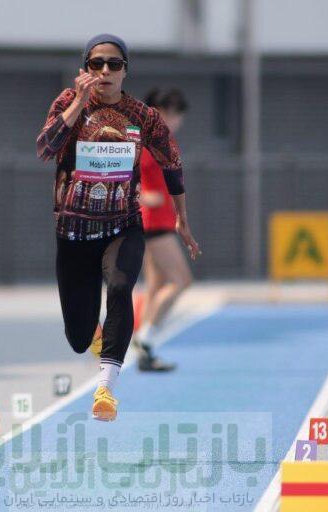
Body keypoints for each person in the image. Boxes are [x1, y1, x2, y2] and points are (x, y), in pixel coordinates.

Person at [36, 34, 200, 421]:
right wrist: (77, 104)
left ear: (125, 71)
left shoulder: (142, 116)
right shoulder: (67, 102)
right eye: (97, 64)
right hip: (74, 233)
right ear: (85, 69)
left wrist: (182, 217)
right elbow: (45, 148)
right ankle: (93, 335)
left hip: (123, 225)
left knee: (122, 286)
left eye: (114, 64)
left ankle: (106, 388)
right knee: (78, 337)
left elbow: (173, 164)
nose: (105, 71)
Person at [133, 88, 193, 372]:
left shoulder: (163, 140)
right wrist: (141, 196)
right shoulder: (145, 141)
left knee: (156, 286)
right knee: (182, 280)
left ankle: (144, 350)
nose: (177, 121)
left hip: (161, 220)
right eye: (174, 115)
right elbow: (124, 174)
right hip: (153, 222)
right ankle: (144, 338)